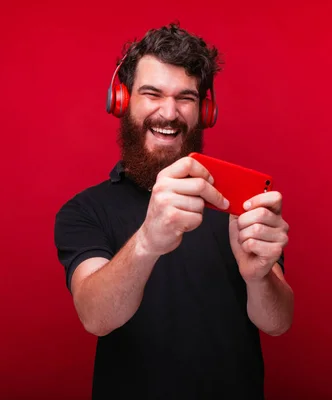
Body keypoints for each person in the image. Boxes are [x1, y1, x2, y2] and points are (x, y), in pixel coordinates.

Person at [53, 23, 294, 399]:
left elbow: (278, 323)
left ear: (205, 110)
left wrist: (258, 277)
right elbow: (96, 317)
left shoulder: (239, 201)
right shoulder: (84, 211)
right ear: (122, 100)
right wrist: (148, 240)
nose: (169, 113)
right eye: (152, 94)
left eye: (186, 98)